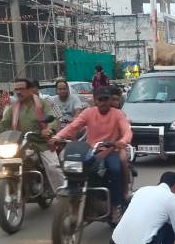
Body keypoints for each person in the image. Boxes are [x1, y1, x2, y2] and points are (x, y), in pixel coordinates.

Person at [51, 86, 132, 223]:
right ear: (95, 101)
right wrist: (57, 137)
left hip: (110, 150)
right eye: (100, 99)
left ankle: (115, 206)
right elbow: (73, 126)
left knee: (114, 170)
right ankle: (76, 197)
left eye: (106, 99)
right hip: (91, 151)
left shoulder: (117, 114)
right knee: (74, 169)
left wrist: (122, 141)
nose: (103, 102)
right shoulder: (88, 113)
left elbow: (127, 131)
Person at [0, 79, 64, 193]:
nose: (19, 92)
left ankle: (64, 197)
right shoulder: (13, 107)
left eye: (22, 89)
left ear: (30, 90)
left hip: (41, 142)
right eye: (16, 89)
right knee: (6, 160)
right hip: (20, 143)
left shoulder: (42, 103)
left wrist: (49, 129)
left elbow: (52, 119)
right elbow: (4, 122)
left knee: (53, 168)